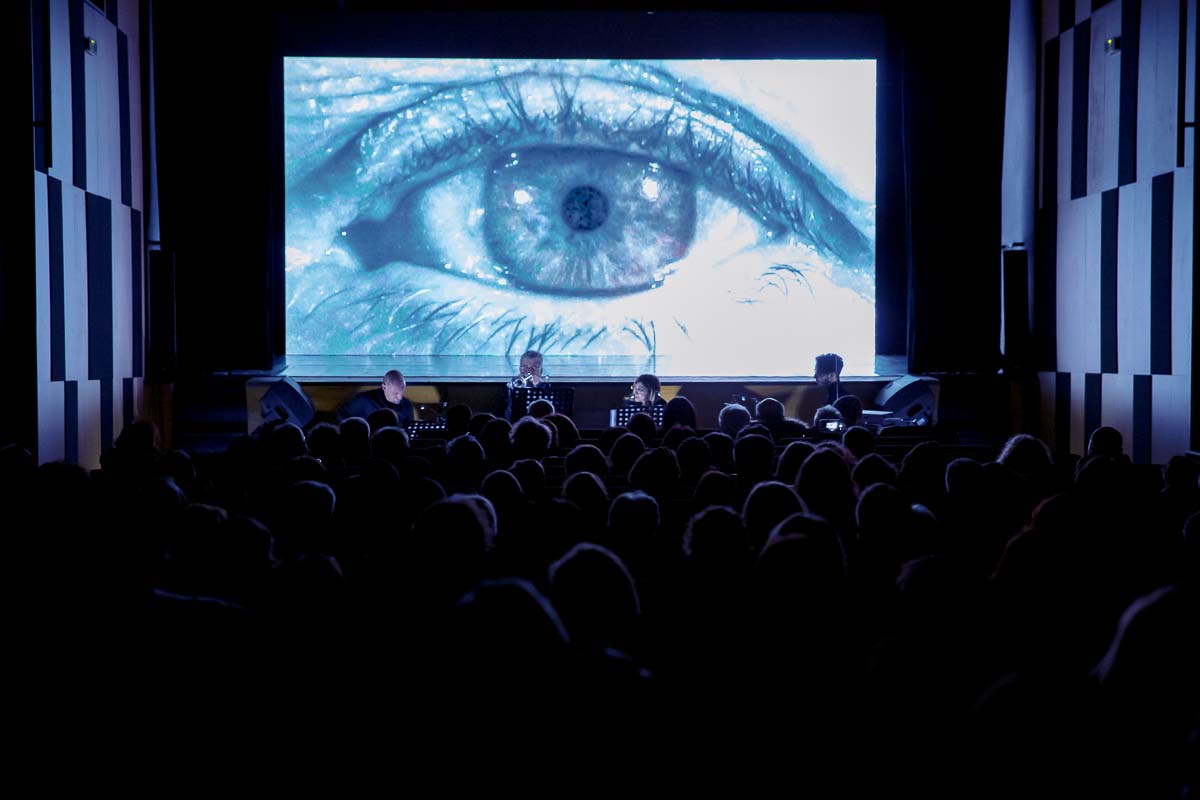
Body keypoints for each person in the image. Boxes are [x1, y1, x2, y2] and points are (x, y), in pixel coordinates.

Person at [336, 369, 414, 424]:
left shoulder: (407, 405)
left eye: (402, 392)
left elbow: (410, 430)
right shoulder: (364, 400)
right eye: (395, 394)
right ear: (384, 387)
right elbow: (340, 413)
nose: (400, 397)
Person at [506, 350, 552, 420]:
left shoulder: (545, 386)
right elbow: (509, 410)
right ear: (519, 368)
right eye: (524, 367)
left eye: (534, 368)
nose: (529, 371)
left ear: (541, 371)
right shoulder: (514, 383)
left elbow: (548, 411)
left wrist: (535, 386)